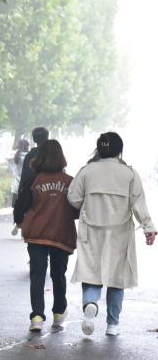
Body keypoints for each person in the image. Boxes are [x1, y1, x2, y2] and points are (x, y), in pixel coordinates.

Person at [68, 132, 157, 337]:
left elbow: (73, 197)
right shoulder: (129, 174)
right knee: (117, 278)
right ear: (119, 150)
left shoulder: (86, 171)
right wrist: (148, 227)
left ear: (99, 148)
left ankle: (91, 304)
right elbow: (139, 204)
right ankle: (112, 324)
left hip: (91, 231)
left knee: (91, 273)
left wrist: (88, 204)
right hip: (120, 233)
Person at [17, 140, 77, 332]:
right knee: (58, 274)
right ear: (61, 157)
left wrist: (20, 221)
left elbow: (21, 205)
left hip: (36, 234)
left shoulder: (33, 180)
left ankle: (36, 317)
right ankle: (58, 313)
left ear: (40, 157)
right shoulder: (70, 182)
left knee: (37, 275)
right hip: (61, 233)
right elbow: (77, 210)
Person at [13, 127, 49, 227]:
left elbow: (25, 178)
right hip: (50, 195)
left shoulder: (30, 155)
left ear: (34, 140)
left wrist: (21, 195)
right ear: (47, 138)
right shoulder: (52, 154)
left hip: (33, 196)